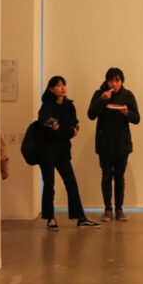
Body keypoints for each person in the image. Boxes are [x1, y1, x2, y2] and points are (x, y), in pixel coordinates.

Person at [39, 76, 100, 229]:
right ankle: (50, 218)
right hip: (47, 150)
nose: (62, 88)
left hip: (63, 151)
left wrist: (62, 129)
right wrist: (65, 130)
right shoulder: (47, 106)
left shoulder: (69, 106)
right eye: (58, 85)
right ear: (51, 89)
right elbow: (47, 123)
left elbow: (74, 128)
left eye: (64, 84)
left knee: (71, 183)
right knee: (49, 184)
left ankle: (80, 217)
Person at [87, 68, 140, 221]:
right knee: (106, 176)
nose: (114, 84)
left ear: (122, 81)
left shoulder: (128, 96)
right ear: (107, 81)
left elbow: (137, 118)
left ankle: (119, 209)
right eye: (111, 80)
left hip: (122, 143)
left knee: (119, 176)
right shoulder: (100, 94)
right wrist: (102, 100)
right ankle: (107, 209)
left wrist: (126, 113)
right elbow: (91, 115)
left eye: (117, 80)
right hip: (104, 143)